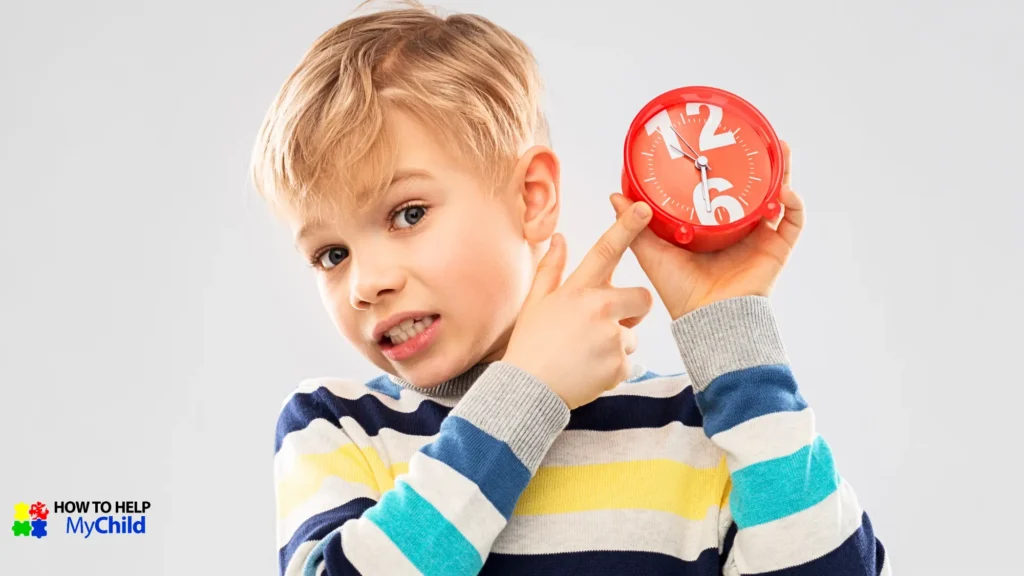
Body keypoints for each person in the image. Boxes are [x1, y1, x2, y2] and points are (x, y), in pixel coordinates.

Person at [252, 2, 890, 574]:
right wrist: (525, 396)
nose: (366, 284)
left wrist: (733, 342)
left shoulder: (698, 431)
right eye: (331, 255)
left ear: (531, 198)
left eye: (408, 214)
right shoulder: (338, 427)